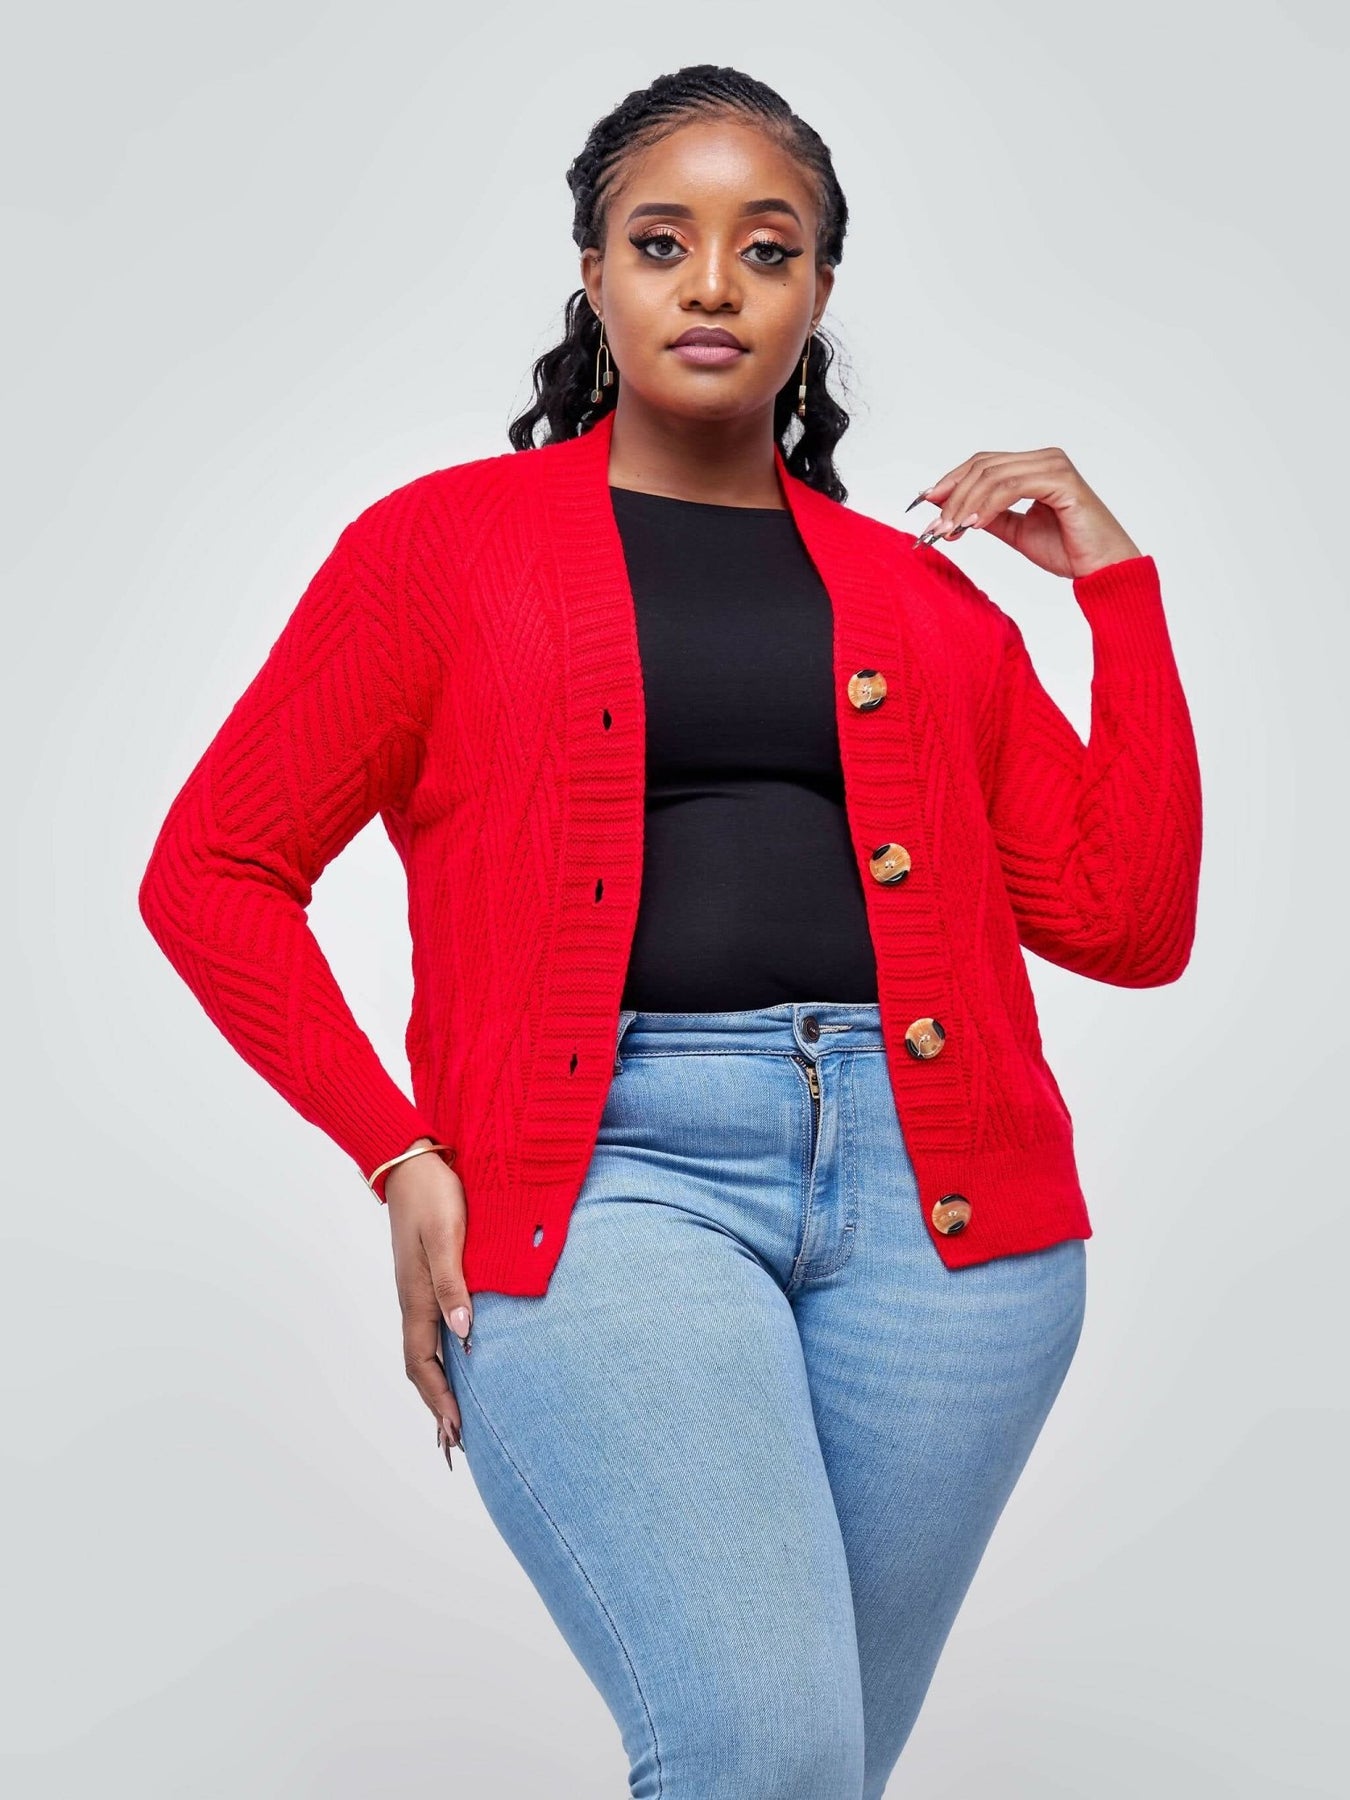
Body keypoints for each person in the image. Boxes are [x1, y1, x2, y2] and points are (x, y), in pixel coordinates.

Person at [138, 62, 1202, 1800]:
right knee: (760, 1750)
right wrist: (396, 1149)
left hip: (948, 1227)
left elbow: (1127, 920)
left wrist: (1117, 596)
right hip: (605, 1181)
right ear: (593, 273)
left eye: (765, 248)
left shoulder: (922, 599)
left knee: (811, 1774)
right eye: (661, 241)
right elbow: (213, 868)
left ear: (818, 291)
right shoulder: (439, 552)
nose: (713, 283)